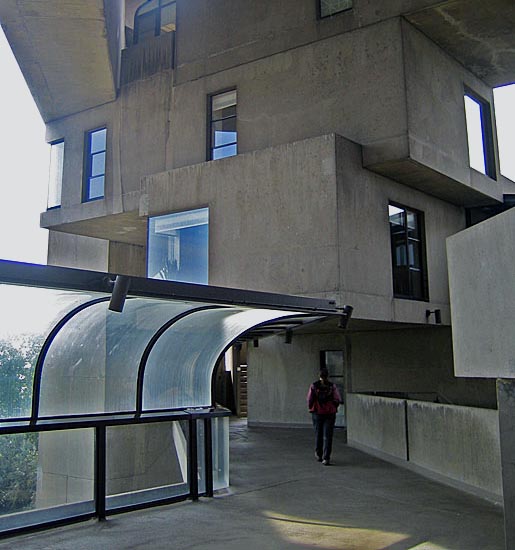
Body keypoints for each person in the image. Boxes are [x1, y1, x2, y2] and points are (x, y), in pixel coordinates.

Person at [307, 367, 341, 465]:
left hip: (317, 412)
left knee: (319, 434)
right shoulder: (332, 386)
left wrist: (311, 407)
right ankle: (326, 458)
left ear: (319, 375)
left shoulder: (314, 386)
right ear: (327, 376)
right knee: (328, 436)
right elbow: (337, 398)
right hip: (330, 413)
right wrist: (333, 406)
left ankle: (319, 454)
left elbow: (309, 399)